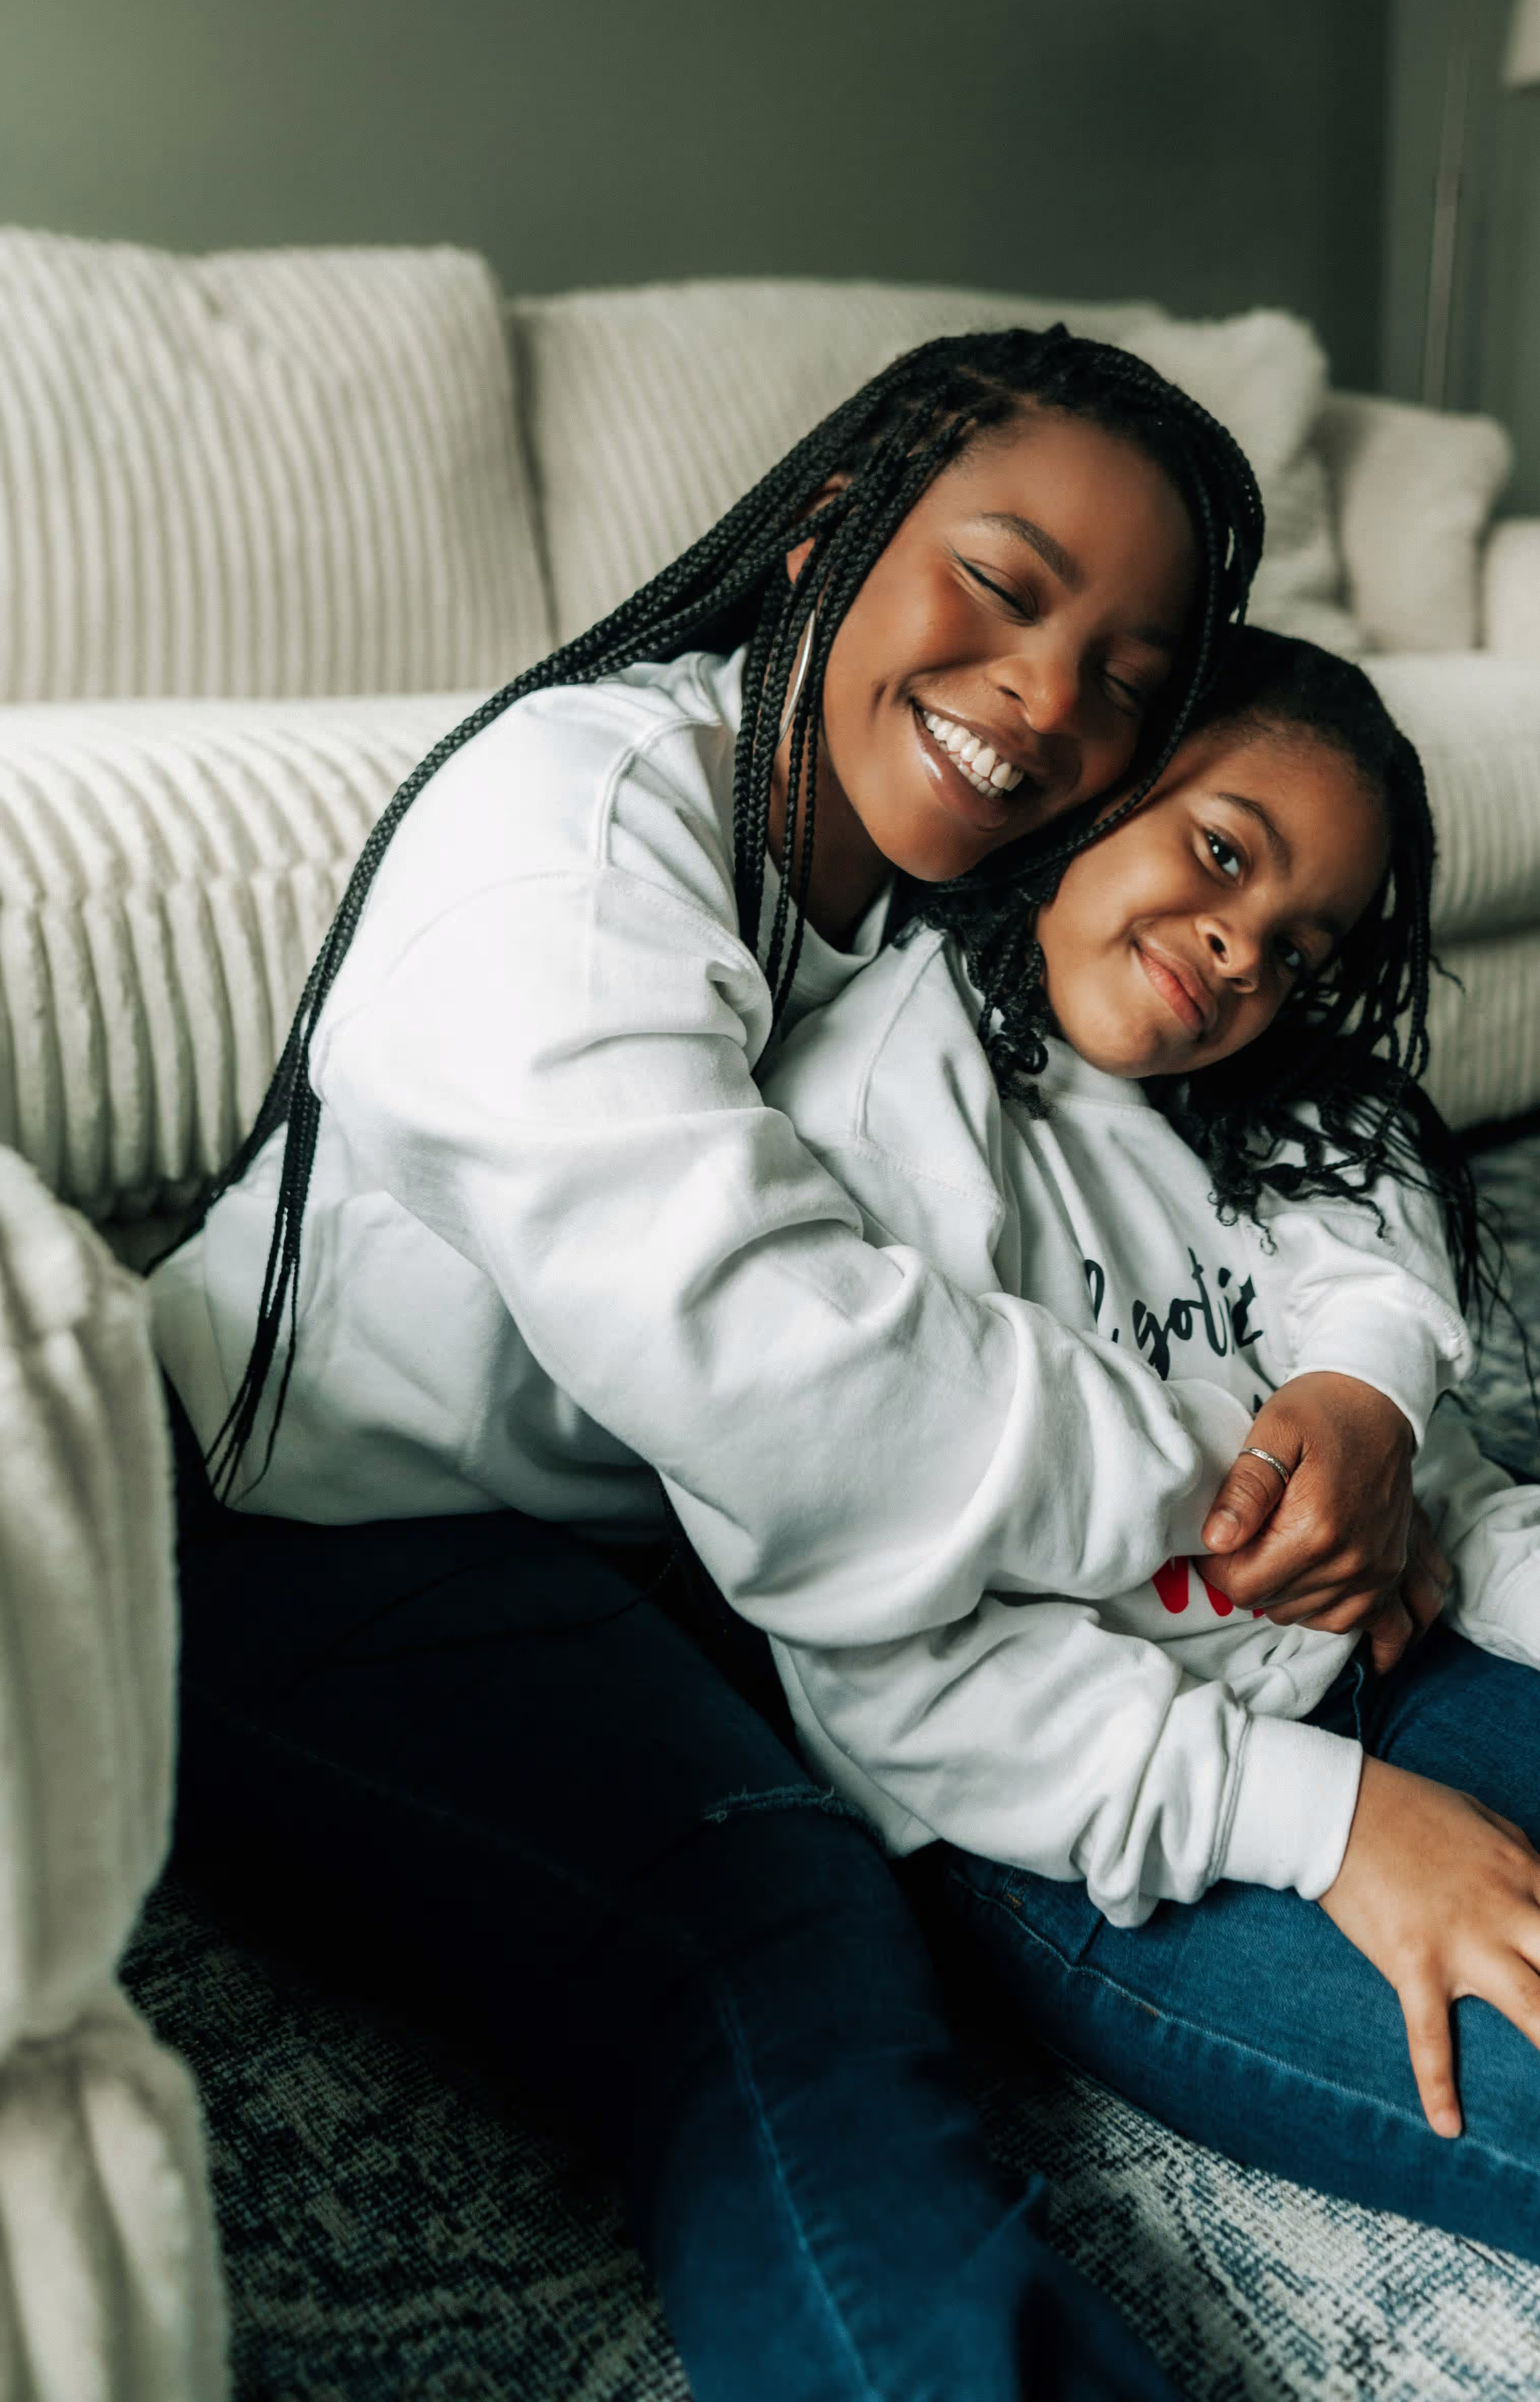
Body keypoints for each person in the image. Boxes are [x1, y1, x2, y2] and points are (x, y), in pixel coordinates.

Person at [155, 329, 1441, 2402]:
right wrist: (1241, 1469)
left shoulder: (923, 874)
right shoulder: (573, 836)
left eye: (1128, 680)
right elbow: (789, 1381)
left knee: (1461, 1516)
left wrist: (1363, 1399)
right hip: (322, 1540)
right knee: (784, 1938)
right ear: (834, 529)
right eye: (1004, 591)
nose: (1045, 708)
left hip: (654, 1524)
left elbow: (1294, 1141)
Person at [756, 623, 1540, 2402]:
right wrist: (1347, 1820)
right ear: (1090, 789)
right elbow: (900, 1690)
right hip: (1106, 1831)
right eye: (1220, 851)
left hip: (1383, 1663)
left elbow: (1415, 1473)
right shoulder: (864, 1136)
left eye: (1302, 944)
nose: (1243, 948)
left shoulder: (1252, 1122)